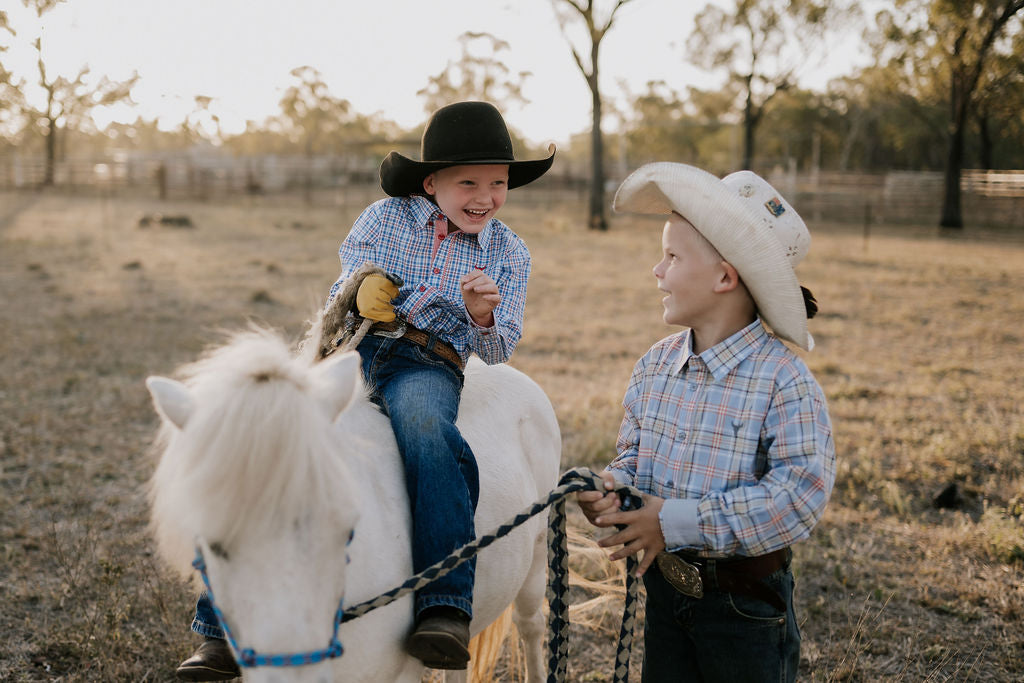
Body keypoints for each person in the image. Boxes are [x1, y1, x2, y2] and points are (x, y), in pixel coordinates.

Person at [173, 101, 554, 680]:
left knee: (429, 433)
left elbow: (501, 349)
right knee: (268, 440)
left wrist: (478, 316)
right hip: (354, 348)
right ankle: (219, 628)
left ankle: (445, 603)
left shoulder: (507, 252)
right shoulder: (383, 219)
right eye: (468, 181)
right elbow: (344, 282)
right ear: (432, 182)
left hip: (427, 363)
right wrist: (361, 287)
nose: (485, 196)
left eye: (498, 183)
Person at [576, 162, 835, 683]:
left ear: (724, 277)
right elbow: (634, 455)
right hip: (665, 596)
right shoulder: (655, 365)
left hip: (744, 610)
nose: (657, 270)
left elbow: (798, 498)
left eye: (671, 257)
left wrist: (669, 521)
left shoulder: (783, 381)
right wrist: (614, 489)